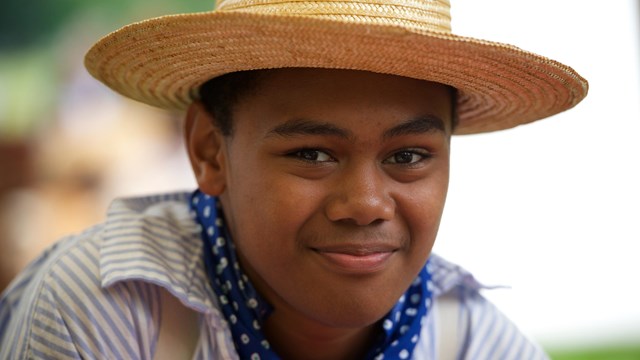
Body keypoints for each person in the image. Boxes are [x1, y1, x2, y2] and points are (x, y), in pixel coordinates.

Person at [0, 0, 588, 359]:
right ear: (210, 153)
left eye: (408, 156)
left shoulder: (468, 340)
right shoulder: (109, 310)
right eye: (312, 153)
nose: (364, 205)